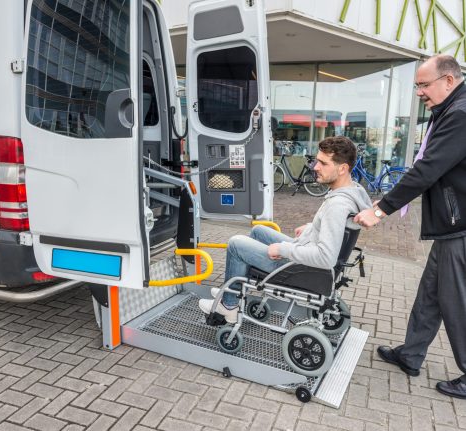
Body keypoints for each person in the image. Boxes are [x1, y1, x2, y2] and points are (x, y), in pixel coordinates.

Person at [354, 54, 466, 399]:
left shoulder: (460, 114)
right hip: (452, 223)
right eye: (417, 85)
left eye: (424, 84)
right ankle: (411, 354)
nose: (419, 92)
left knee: (456, 300)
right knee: (430, 294)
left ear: (448, 80)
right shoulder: (451, 110)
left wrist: (383, 208)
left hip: (460, 225)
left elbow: (428, 168)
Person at [199, 136, 371, 323]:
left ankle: (229, 305)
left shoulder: (338, 205)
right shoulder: (352, 191)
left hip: (301, 268)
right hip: (305, 253)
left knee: (236, 244)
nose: (315, 167)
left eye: (323, 163)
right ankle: (233, 288)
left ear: (342, 168)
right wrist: (311, 227)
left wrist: (282, 249)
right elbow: (331, 229)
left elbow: (325, 257)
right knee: (259, 231)